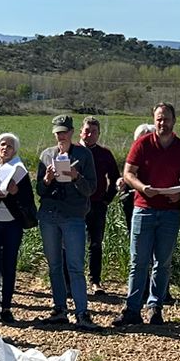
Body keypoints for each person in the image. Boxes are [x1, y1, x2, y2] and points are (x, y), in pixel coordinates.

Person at [116, 104, 180, 327]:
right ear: (154, 120)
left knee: (163, 263)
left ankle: (155, 307)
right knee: (138, 262)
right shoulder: (142, 144)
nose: (162, 123)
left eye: (166, 119)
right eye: (159, 119)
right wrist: (142, 187)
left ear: (174, 120)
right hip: (144, 208)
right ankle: (132, 308)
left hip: (170, 212)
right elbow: (128, 173)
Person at [36, 116, 97, 326]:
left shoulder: (84, 155)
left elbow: (91, 188)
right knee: (54, 265)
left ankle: (82, 312)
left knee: (75, 266)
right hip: (49, 215)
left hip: (73, 216)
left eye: (64, 132)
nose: (61, 136)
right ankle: (59, 308)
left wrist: (76, 177)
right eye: (58, 133)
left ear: (71, 132)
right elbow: (39, 190)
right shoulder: (46, 155)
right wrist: (47, 180)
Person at [0, 132, 38, 325]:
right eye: (2, 144)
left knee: (9, 265)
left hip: (13, 224)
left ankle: (7, 308)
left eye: (9, 146)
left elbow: (28, 199)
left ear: (14, 151)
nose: (5, 148)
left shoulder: (20, 170)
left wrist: (16, 192)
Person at [80, 116, 121, 292]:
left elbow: (115, 177)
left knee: (95, 244)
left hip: (97, 205)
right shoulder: (72, 151)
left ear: (99, 134)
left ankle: (95, 281)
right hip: (75, 205)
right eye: (87, 131)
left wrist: (107, 199)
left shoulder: (105, 154)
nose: (89, 134)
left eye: (94, 132)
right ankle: (71, 281)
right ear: (81, 132)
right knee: (71, 244)